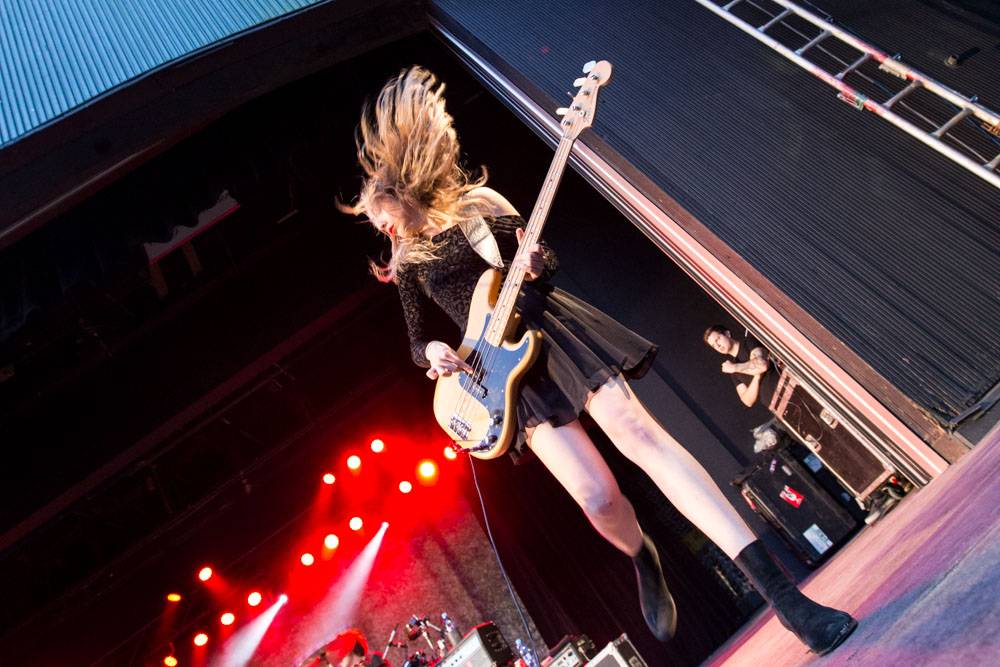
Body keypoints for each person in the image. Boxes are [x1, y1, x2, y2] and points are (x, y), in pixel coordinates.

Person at [340, 66, 856, 653]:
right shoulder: (406, 258)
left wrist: (536, 264)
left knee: (642, 436)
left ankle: (788, 602)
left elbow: (543, 256)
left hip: (546, 327)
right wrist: (431, 350)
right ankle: (643, 553)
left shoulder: (478, 205)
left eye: (379, 211)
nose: (378, 225)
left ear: (405, 190)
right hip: (498, 377)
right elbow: (415, 340)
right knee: (597, 496)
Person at [704, 325, 778, 410]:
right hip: (775, 406)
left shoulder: (749, 342)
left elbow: (762, 365)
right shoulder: (733, 370)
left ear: (727, 334)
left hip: (786, 387)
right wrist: (757, 377)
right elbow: (747, 401)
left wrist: (735, 367)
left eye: (718, 339)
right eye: (714, 346)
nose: (718, 346)